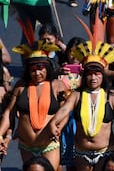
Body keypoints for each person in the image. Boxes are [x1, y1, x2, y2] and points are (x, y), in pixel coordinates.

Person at [48, 19, 114, 170]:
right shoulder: (77, 95)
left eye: (97, 74)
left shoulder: (111, 97)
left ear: (102, 76)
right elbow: (64, 110)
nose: (93, 78)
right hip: (81, 152)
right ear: (85, 76)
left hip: (105, 152)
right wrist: (53, 123)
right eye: (90, 74)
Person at [0, 26, 66, 170]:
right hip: (26, 145)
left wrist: (59, 127)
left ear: (47, 68)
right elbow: (9, 113)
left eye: (40, 68)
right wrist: (1, 134)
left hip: (49, 144)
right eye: (33, 69)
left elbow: (64, 110)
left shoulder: (57, 85)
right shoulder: (20, 86)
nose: (37, 72)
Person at [57, 36, 85, 171]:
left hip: (82, 117)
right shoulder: (59, 72)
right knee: (69, 161)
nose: (74, 56)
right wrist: (57, 74)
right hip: (65, 119)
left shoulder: (90, 73)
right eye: (71, 52)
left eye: (78, 52)